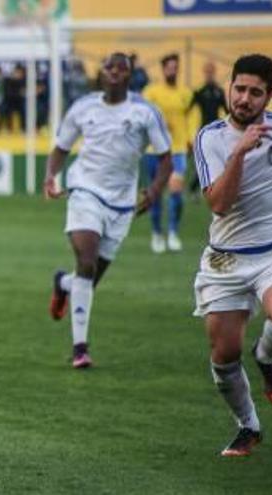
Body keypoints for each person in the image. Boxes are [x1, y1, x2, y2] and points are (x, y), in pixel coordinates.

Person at [193, 54, 272, 457]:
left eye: (255, 92)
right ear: (230, 87)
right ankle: (248, 426)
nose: (244, 98)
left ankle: (266, 356)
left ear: (268, 96)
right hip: (227, 258)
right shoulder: (210, 138)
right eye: (239, 89)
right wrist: (240, 153)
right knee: (223, 354)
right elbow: (218, 204)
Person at [45, 52, 172, 368]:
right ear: (100, 73)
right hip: (85, 192)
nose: (114, 72)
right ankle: (80, 349)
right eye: (109, 67)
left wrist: (155, 190)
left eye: (121, 68)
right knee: (86, 264)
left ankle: (63, 284)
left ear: (130, 75)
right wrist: (50, 176)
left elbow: (167, 157)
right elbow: (61, 147)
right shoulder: (83, 107)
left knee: (89, 278)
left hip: (123, 203)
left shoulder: (145, 112)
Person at [143, 53, 193, 253]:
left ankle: (173, 232)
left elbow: (191, 117)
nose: (173, 70)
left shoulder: (186, 93)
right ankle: (156, 233)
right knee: (155, 194)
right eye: (169, 67)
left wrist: (191, 137)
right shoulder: (151, 92)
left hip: (177, 149)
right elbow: (145, 116)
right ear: (163, 69)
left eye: (175, 67)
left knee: (176, 192)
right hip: (154, 150)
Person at [189, 60, 228, 197]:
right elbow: (188, 109)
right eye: (208, 72)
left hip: (216, 132)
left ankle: (211, 187)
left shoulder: (219, 92)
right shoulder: (199, 92)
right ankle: (195, 188)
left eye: (212, 72)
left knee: (217, 160)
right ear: (205, 73)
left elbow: (227, 111)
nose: (210, 75)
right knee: (202, 161)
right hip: (203, 131)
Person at [0, 63, 27, 133]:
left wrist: (20, 93)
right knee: (6, 109)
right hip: (9, 102)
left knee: (24, 109)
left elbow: (24, 93)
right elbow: (8, 94)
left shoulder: (24, 81)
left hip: (19, 102)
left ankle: (23, 128)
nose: (18, 74)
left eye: (20, 73)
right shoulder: (8, 80)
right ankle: (9, 128)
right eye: (17, 72)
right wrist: (19, 93)